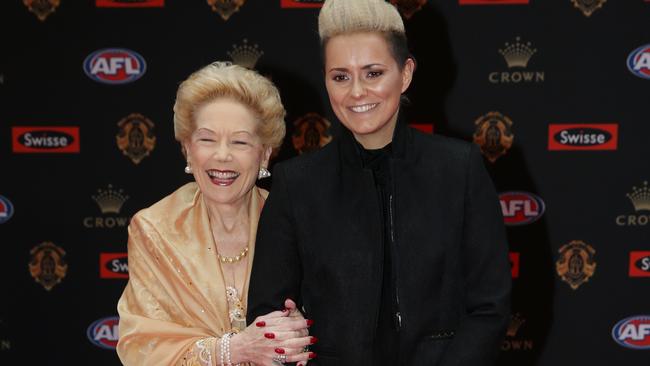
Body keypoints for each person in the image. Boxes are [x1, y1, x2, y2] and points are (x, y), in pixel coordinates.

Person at [246, 0, 511, 365]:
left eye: (373, 73)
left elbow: (489, 306)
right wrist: (286, 335)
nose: (356, 92)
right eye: (340, 76)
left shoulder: (458, 168)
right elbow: (266, 314)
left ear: (405, 74)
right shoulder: (296, 184)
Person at [117, 62, 315, 366]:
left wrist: (302, 330)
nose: (222, 155)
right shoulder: (154, 229)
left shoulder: (296, 222)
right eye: (207, 139)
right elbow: (141, 346)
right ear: (187, 148)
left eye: (240, 142)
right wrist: (232, 350)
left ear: (264, 153)